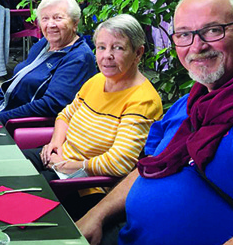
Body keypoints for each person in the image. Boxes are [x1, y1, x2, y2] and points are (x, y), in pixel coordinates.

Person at [76, 0, 233, 245]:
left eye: (213, 30)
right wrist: (96, 215)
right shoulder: (191, 104)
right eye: (184, 35)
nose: (197, 46)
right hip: (128, 244)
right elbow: (149, 169)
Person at [26, 14, 163, 219]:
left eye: (118, 48)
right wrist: (55, 143)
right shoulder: (97, 80)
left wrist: (67, 165)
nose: (107, 55)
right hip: (59, 157)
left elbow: (120, 162)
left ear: (138, 53)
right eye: (101, 47)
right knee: (8, 168)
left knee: (22, 193)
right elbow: (65, 115)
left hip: (87, 185)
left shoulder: (142, 101)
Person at [0, 0, 96, 123]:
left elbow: (50, 104)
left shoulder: (78, 57)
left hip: (20, 124)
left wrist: (1, 117)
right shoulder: (44, 44)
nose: (50, 25)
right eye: (45, 19)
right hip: (2, 108)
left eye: (58, 18)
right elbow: (17, 81)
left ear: (75, 23)